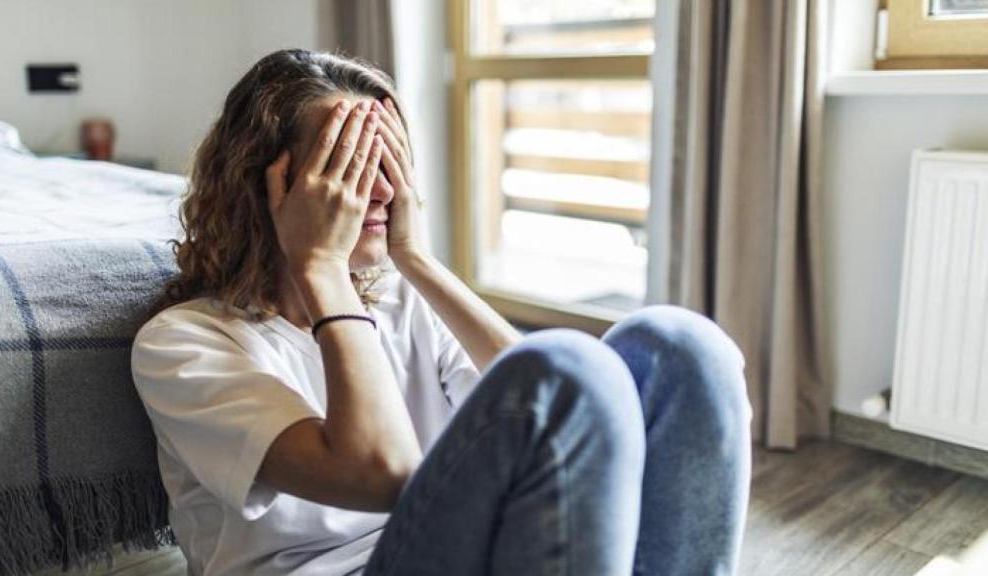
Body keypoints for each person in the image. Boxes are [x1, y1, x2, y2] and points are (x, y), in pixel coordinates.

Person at [131, 49, 752, 576]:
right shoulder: (183, 343)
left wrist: (417, 259)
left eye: (387, 162)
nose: (381, 190)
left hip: (463, 547)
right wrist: (319, 265)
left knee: (680, 346)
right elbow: (380, 474)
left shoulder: (401, 299)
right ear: (266, 186)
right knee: (567, 365)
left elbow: (563, 414)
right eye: (347, 167)